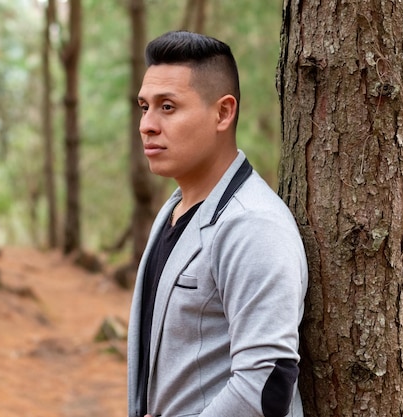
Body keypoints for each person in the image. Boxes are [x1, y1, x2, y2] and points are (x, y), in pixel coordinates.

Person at [127, 31, 308, 417]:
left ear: (223, 113)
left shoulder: (253, 224)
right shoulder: (176, 208)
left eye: (168, 107)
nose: (147, 124)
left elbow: (266, 385)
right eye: (144, 107)